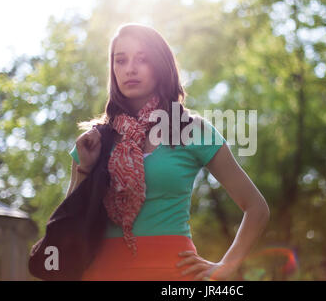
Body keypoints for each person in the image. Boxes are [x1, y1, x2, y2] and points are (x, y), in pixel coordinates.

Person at [66, 23, 270, 281]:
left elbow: (256, 208)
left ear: (160, 65)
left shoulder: (193, 130)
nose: (130, 68)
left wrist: (225, 267)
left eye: (142, 59)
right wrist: (85, 167)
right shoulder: (94, 139)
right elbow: (68, 223)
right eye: (121, 60)